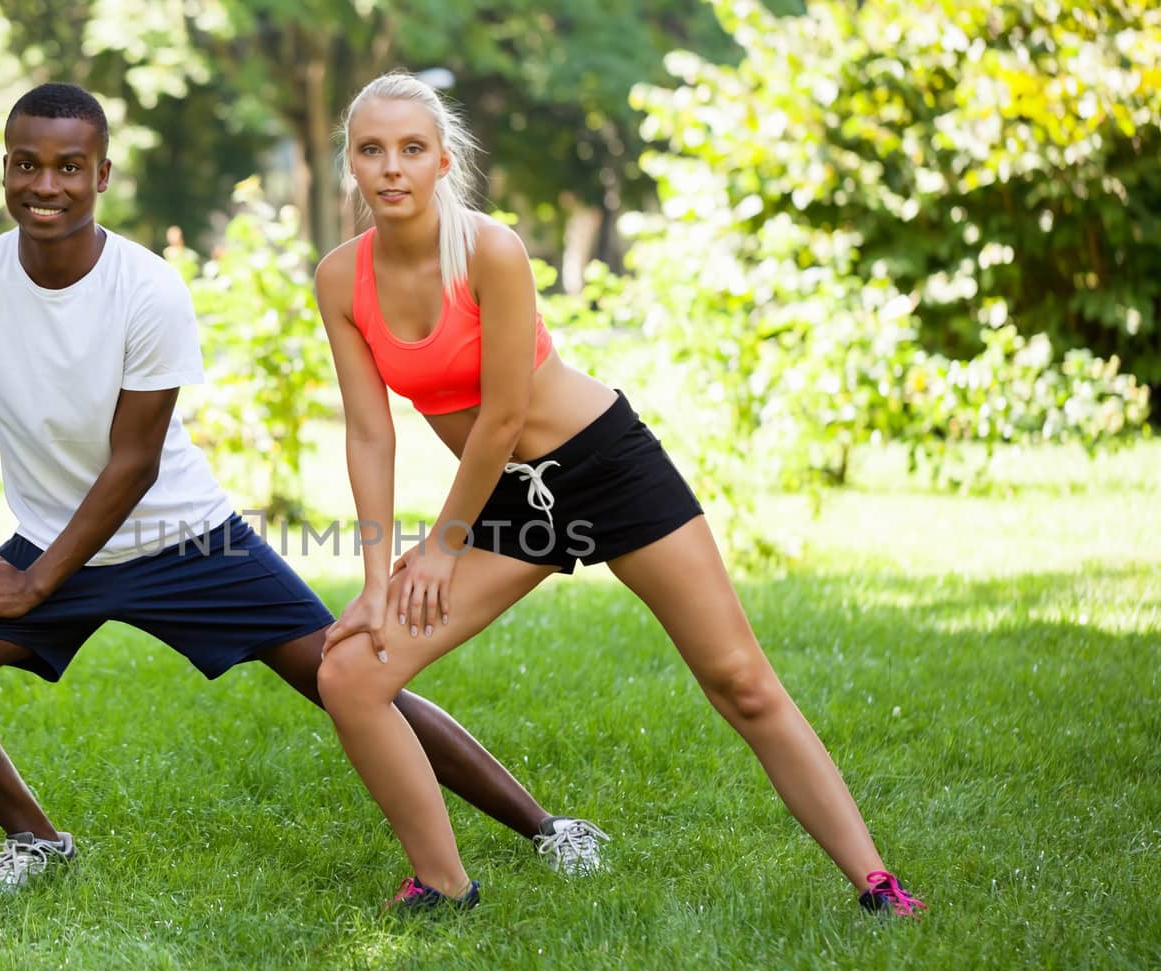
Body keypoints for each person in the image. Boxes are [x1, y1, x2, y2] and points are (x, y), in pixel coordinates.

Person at [0, 82, 607, 902]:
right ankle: (36, 840)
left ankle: (547, 827)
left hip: (188, 542)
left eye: (69, 167)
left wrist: (34, 583)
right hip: (51, 544)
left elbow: (133, 462)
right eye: (27, 165)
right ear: (4, 170)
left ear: (102, 173)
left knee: (346, 675)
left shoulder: (145, 288)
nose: (47, 185)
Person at [314, 71, 925, 917]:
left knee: (739, 678)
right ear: (349, 162)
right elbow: (369, 433)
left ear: (443, 160)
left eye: (412, 149)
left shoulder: (490, 250)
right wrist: (381, 579)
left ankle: (878, 883)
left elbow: (502, 416)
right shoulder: (342, 279)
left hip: (602, 464)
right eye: (372, 149)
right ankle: (442, 884)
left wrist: (443, 545)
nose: (392, 167)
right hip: (505, 500)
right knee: (350, 672)